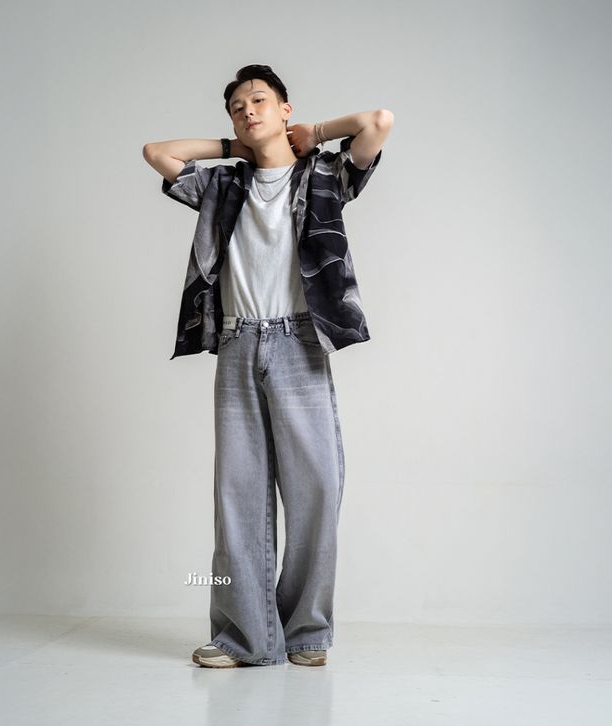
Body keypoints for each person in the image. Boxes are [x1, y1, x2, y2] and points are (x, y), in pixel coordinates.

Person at [143, 64, 393, 667]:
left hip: (300, 341)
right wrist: (233, 146)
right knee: (239, 495)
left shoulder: (324, 174)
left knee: (316, 490)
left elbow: (377, 122)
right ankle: (245, 637)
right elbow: (157, 152)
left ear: (285, 109)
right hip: (237, 342)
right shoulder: (223, 186)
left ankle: (306, 633)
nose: (247, 110)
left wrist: (315, 133)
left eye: (258, 100)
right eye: (236, 107)